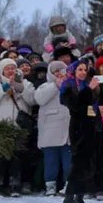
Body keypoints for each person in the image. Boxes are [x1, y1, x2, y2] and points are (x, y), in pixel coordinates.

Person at [59, 59, 103, 203]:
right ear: (74, 71)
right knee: (79, 164)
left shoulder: (89, 85)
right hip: (80, 129)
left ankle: (80, 198)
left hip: (95, 126)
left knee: (92, 164)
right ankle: (69, 200)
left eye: (85, 70)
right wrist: (89, 89)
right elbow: (76, 106)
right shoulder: (69, 86)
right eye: (80, 70)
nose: (83, 72)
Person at [0, 57, 34, 197]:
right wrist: (5, 88)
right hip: (0, 126)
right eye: (7, 68)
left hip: (18, 126)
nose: (11, 70)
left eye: (12, 67)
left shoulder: (26, 83)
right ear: (2, 71)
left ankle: (14, 185)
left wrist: (19, 87)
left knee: (16, 158)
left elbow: (32, 100)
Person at [35, 61, 73, 196]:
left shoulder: (72, 85)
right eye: (55, 71)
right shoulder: (44, 87)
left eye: (61, 70)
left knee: (68, 162)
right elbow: (39, 99)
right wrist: (56, 85)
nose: (59, 73)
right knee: (51, 161)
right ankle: (50, 185)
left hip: (68, 130)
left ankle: (68, 184)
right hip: (50, 131)